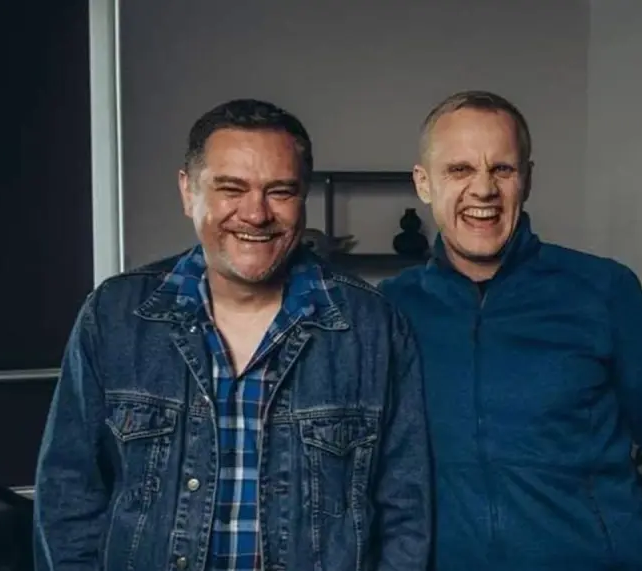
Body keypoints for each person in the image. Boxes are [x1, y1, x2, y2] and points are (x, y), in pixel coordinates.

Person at [34, 98, 431, 571]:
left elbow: (405, 513)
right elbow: (67, 498)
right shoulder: (115, 315)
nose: (256, 214)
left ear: (302, 198)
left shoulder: (373, 327)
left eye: (279, 191)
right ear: (188, 191)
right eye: (231, 189)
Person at [379, 90, 642, 571]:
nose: (483, 189)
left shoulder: (604, 291)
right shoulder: (392, 308)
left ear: (528, 179)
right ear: (423, 183)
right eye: (459, 169)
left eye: (502, 169)